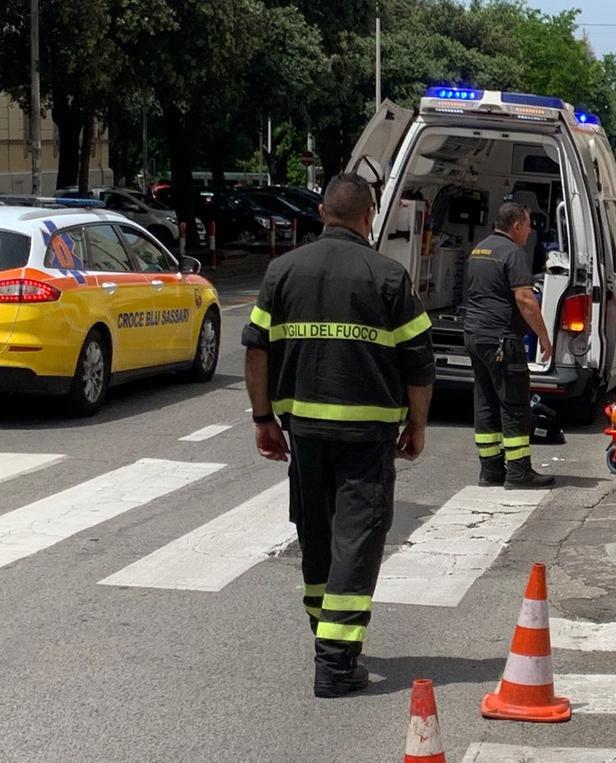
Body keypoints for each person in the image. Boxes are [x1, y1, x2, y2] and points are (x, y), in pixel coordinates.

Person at [242, 173, 436, 699]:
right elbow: (419, 363)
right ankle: (334, 662)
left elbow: (256, 348)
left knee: (317, 534)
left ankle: (325, 635)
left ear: (323, 211)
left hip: (303, 431)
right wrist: (416, 425)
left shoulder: (282, 271)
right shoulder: (389, 277)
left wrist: (262, 418)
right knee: (357, 537)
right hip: (367, 435)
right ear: (369, 215)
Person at [464, 202, 555, 489]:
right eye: (528, 225)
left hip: (475, 336)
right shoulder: (513, 254)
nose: (529, 232)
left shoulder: (479, 250)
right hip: (502, 339)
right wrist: (543, 335)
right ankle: (518, 471)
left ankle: (490, 470)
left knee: (486, 401)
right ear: (516, 225)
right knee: (515, 404)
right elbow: (525, 299)